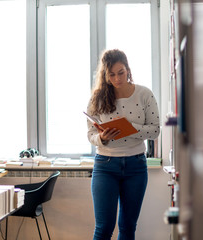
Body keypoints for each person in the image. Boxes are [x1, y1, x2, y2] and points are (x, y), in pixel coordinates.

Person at [86, 49, 160, 240]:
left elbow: (155, 130)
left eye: (121, 72)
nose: (117, 78)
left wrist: (131, 127)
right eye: (112, 74)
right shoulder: (98, 98)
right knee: (103, 228)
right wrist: (102, 138)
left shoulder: (145, 94)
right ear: (105, 75)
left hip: (136, 166)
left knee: (128, 227)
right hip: (105, 165)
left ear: (128, 69)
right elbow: (91, 135)